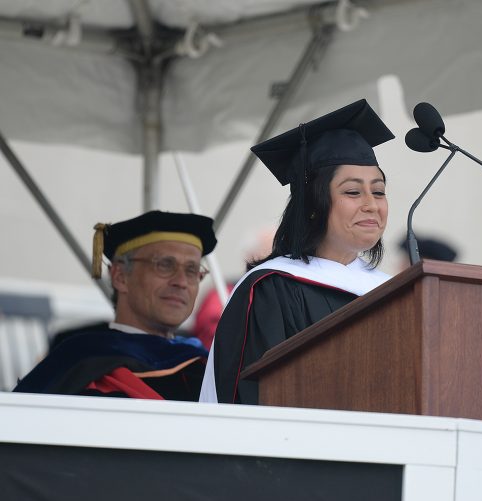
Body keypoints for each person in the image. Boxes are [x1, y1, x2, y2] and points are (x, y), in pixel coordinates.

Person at [200, 99, 394, 404]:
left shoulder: (392, 292)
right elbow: (257, 398)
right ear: (313, 204)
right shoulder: (273, 289)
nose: (372, 204)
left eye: (379, 191)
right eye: (353, 192)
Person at [14, 210, 217, 400]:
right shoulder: (77, 359)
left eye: (192, 270)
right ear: (120, 276)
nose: (181, 282)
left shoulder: (204, 366)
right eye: (164, 265)